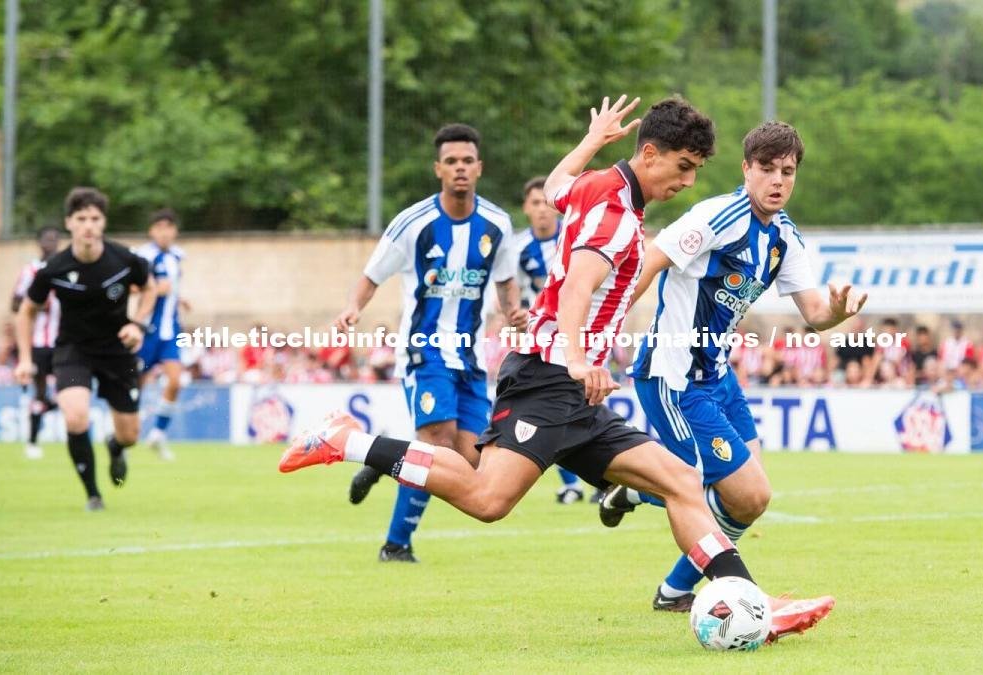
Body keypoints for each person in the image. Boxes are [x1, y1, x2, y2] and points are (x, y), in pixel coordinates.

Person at [281, 96, 828, 643]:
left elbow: (559, 181)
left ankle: (752, 601)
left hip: (576, 393)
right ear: (652, 153)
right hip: (549, 377)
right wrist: (576, 358)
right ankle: (348, 441)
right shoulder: (616, 217)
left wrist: (592, 140)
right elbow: (578, 289)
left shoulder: (598, 185)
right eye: (683, 166)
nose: (687, 181)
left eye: (696, 170)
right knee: (487, 499)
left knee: (683, 481)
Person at [604, 121, 860, 627]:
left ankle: (671, 583)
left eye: (787, 172)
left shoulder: (784, 235)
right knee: (731, 490)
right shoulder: (717, 217)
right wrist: (598, 332)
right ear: (746, 169)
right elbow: (650, 263)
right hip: (672, 374)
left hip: (718, 377)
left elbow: (813, 311)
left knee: (748, 500)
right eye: (766, 169)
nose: (777, 181)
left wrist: (838, 312)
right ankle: (724, 589)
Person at [339, 123, 528, 563]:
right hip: (424, 351)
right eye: (451, 162)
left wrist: (513, 313)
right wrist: (353, 308)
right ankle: (396, 544)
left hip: (470, 354)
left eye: (467, 161)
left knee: (475, 462)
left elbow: (505, 284)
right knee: (436, 445)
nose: (460, 169)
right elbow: (372, 275)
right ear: (438, 169)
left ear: (479, 168)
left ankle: (386, 455)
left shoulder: (497, 224)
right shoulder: (413, 222)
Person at [14, 187, 156, 511]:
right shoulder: (54, 269)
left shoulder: (125, 259)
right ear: (69, 223)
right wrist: (24, 359)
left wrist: (137, 324)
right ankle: (93, 494)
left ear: (104, 222)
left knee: (131, 434)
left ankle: (115, 447)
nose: (88, 225)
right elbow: (26, 311)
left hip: (118, 352)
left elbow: (149, 289)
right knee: (76, 417)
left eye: (95, 218)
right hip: (73, 351)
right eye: (81, 219)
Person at [514, 175, 589, 504]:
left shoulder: (573, 240)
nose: (542, 210)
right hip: (541, 339)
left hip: (578, 335)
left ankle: (599, 480)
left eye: (547, 203)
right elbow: (511, 293)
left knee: (583, 407)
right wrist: (515, 314)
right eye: (535, 204)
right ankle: (575, 483)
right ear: (525, 209)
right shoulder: (518, 248)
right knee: (551, 410)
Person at [135, 208, 189, 461]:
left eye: (169, 227)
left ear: (175, 231)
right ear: (152, 231)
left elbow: (173, 287)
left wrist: (180, 298)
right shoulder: (144, 256)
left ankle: (158, 434)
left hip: (171, 331)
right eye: (159, 227)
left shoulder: (178, 256)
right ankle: (126, 435)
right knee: (137, 384)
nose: (164, 232)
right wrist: (157, 289)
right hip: (148, 331)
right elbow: (132, 287)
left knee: (176, 380)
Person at [11, 225, 63, 459]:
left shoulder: (67, 269)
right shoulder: (31, 270)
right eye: (47, 239)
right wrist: (38, 304)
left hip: (65, 342)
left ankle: (53, 410)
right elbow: (15, 304)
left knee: (70, 390)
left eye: (55, 239)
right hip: (39, 344)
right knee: (39, 392)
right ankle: (32, 442)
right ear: (39, 243)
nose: (51, 243)